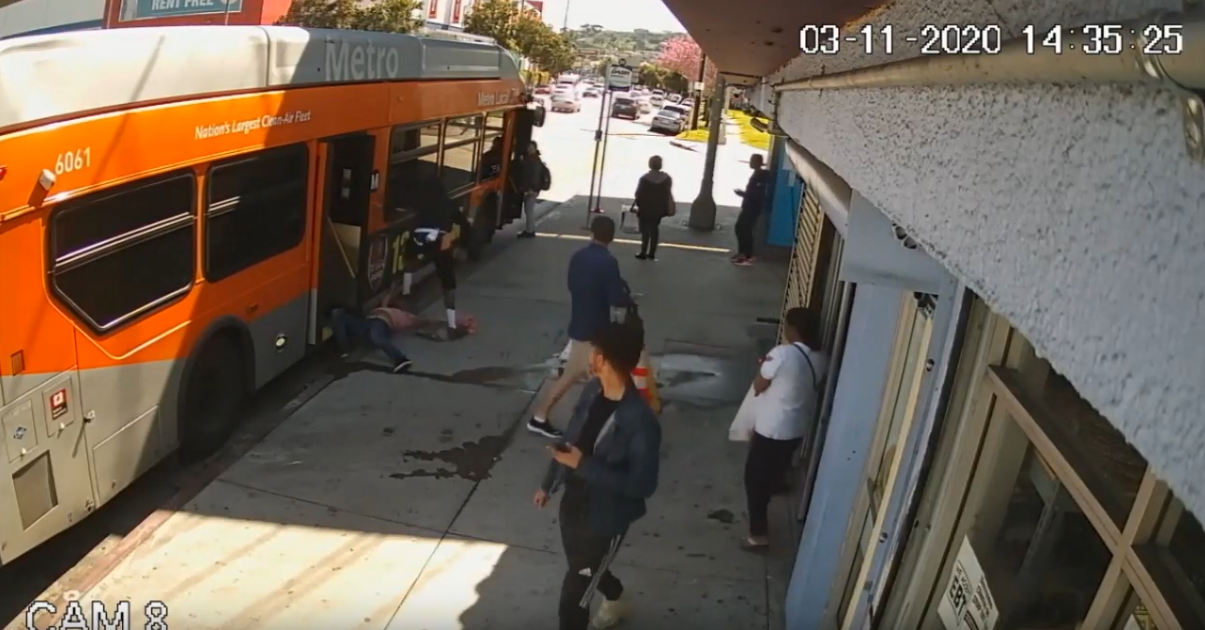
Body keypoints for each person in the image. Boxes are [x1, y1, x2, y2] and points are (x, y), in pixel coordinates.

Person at [534, 318, 661, 630]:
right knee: (581, 566)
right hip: (573, 503)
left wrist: (584, 466)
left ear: (602, 359)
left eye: (593, 351)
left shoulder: (640, 421)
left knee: (574, 596)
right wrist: (548, 483)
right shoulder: (593, 390)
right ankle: (617, 598)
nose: (589, 357)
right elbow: (572, 438)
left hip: (605, 518)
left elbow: (642, 486)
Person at [528, 217, 631, 438]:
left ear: (592, 233)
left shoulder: (578, 256)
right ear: (611, 237)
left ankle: (608, 415)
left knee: (600, 373)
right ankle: (539, 417)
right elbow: (616, 298)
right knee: (574, 375)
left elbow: (571, 284)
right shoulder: (608, 262)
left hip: (580, 320)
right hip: (594, 330)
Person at [742, 307, 827, 550]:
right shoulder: (821, 358)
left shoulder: (781, 353)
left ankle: (758, 535)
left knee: (754, 479)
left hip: (772, 428)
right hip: (798, 427)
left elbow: (759, 386)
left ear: (793, 330)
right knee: (779, 462)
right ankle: (777, 483)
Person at [401, 174, 472, 341]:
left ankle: (406, 291)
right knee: (447, 279)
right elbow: (464, 224)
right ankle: (451, 323)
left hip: (420, 237)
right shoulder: (448, 204)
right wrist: (463, 246)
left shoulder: (420, 202)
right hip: (440, 239)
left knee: (409, 255)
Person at [329, 284, 413, 373]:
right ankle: (344, 349)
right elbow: (385, 301)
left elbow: (413, 321)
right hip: (366, 324)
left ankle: (401, 359)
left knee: (376, 337)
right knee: (337, 313)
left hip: (379, 323)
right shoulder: (382, 309)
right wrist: (389, 293)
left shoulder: (395, 317)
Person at [732, 153, 772, 266]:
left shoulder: (761, 175)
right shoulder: (758, 174)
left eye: (752, 160)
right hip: (750, 206)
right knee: (743, 228)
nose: (750, 162)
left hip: (753, 207)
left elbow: (756, 194)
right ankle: (743, 253)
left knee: (743, 228)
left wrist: (742, 194)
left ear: (758, 162)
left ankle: (746, 254)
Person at [632, 155, 674, 261]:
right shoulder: (667, 179)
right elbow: (667, 193)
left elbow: (638, 194)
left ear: (650, 164)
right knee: (654, 228)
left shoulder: (644, 179)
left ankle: (643, 251)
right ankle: (652, 253)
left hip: (646, 207)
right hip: (659, 208)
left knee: (645, 230)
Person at [518, 141, 548, 239]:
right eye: (528, 147)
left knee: (529, 210)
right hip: (531, 189)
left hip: (532, 189)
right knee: (528, 210)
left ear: (535, 148)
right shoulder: (532, 159)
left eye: (531, 147)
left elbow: (533, 176)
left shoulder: (534, 160)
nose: (529, 149)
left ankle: (530, 231)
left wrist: (531, 189)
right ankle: (529, 230)